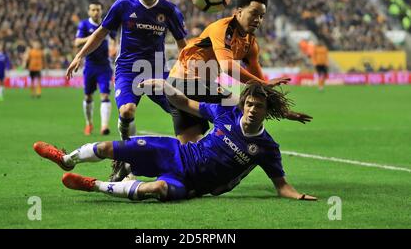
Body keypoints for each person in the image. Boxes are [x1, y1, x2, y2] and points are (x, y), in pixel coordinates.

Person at [33, 79, 317, 202]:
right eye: (250, 104)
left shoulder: (266, 148)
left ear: (267, 112)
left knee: (156, 188)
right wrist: (164, 87)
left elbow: (282, 186)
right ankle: (66, 159)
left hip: (192, 185)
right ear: (243, 104)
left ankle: (92, 185)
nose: (253, 110)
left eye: (259, 107)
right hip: (173, 152)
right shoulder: (224, 113)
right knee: (109, 149)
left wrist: (298, 196)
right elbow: (184, 102)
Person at [66, 0, 188, 180]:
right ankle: (125, 160)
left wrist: (186, 71)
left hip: (158, 72)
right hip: (128, 70)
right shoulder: (124, 4)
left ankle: (194, 161)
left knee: (184, 111)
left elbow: (183, 46)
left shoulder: (169, 10)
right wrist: (79, 55)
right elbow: (100, 33)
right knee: (127, 111)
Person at [168, 0, 290, 144]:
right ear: (239, 12)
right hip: (185, 82)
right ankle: (254, 150)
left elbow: (258, 83)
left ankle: (134, 166)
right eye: (253, 13)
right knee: (243, 105)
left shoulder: (250, 43)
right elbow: (228, 67)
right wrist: (264, 85)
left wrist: (283, 110)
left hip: (187, 86)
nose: (258, 19)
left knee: (189, 149)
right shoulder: (222, 28)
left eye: (261, 16)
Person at [74, 2, 116, 135]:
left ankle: (104, 126)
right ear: (89, 12)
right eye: (93, 10)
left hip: (104, 66)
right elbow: (77, 42)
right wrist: (95, 36)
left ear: (101, 11)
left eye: (98, 10)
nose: (96, 12)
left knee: (105, 95)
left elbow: (114, 39)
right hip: (90, 66)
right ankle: (89, 123)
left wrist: (113, 47)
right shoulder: (84, 25)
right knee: (88, 96)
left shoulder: (107, 23)